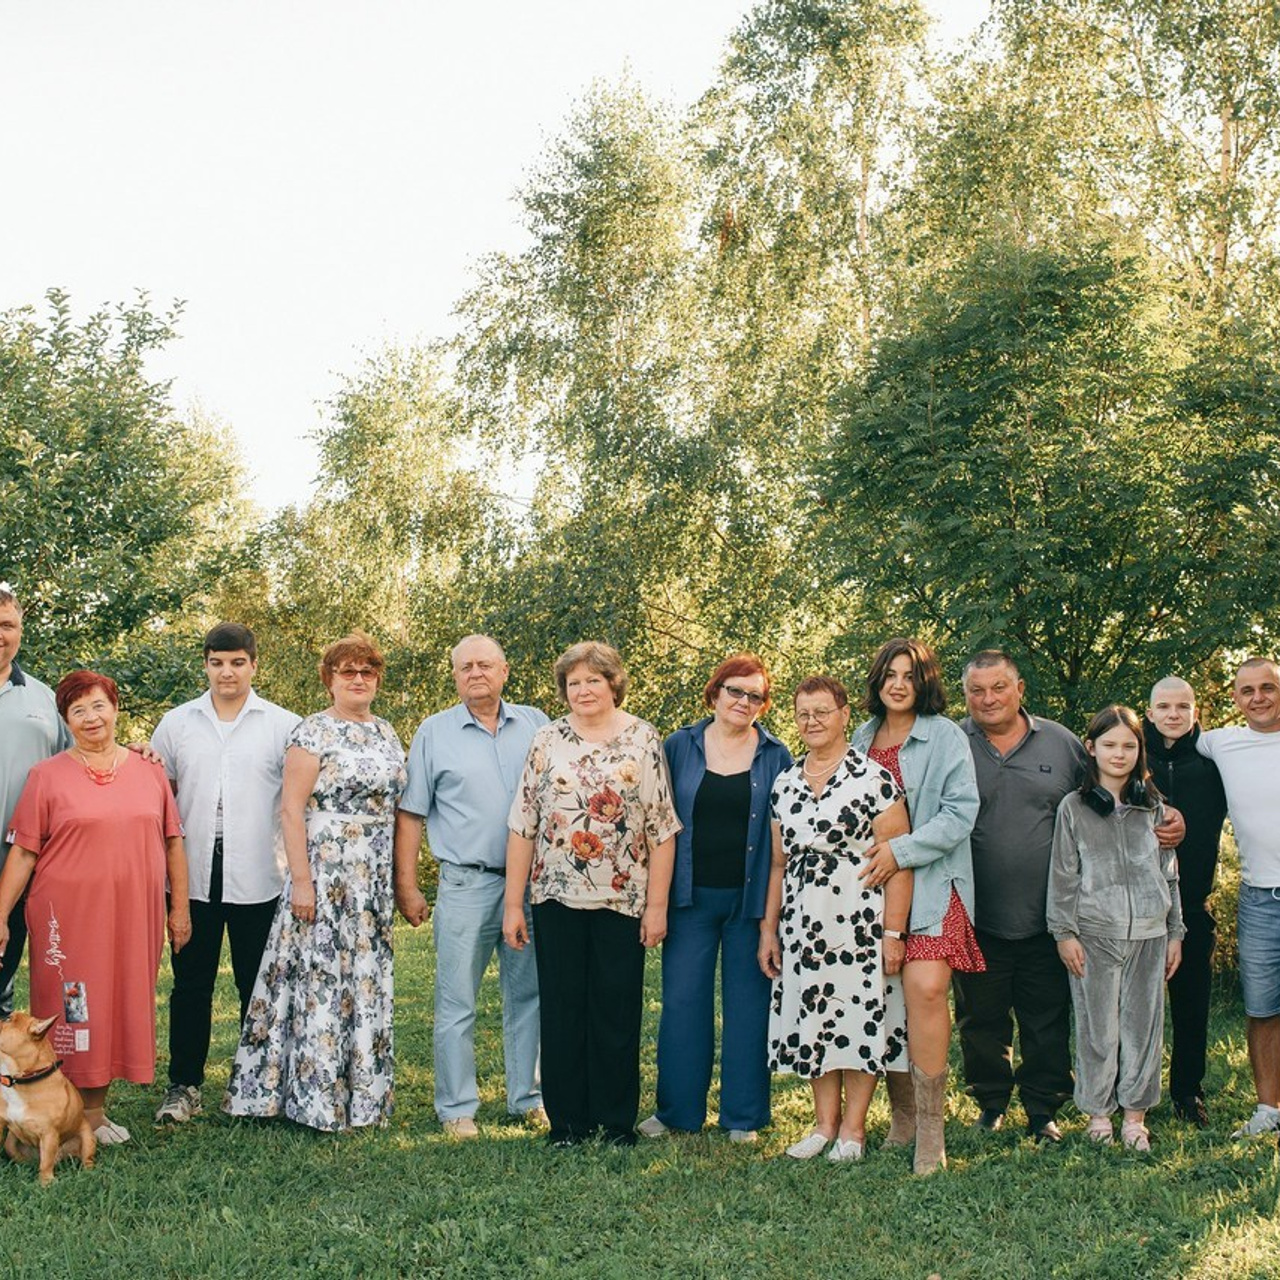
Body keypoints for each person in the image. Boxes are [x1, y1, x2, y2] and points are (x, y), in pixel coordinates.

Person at [223, 632, 405, 1132]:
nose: (359, 679)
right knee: (317, 980)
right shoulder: (313, 732)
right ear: (330, 679)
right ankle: (308, 1097)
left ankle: (362, 1097)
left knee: (363, 980)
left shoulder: (388, 733)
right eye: (348, 671)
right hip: (324, 873)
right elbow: (290, 809)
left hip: (371, 878)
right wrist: (301, 882)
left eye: (367, 671)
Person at [0, 670, 191, 1145]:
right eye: (78, 710)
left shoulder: (149, 772)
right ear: (66, 720)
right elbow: (24, 852)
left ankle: (96, 1112)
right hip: (67, 917)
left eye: (98, 705)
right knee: (73, 1007)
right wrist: (0, 914)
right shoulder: (46, 777)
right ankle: (63, 1113)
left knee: (119, 1000)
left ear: (115, 708)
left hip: (133, 915)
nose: (91, 717)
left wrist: (180, 909)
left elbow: (172, 843)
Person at [503, 641, 681, 1147]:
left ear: (612, 685)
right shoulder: (546, 740)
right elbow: (522, 824)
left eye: (593, 680)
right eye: (574, 682)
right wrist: (513, 904)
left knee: (616, 1011)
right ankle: (568, 1124)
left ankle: (615, 1121)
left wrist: (657, 907)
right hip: (554, 897)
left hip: (622, 898)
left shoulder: (643, 739)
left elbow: (662, 829)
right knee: (562, 1011)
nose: (583, 690)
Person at [394, 635, 548, 1139]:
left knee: (529, 995)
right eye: (465, 667)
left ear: (505, 671)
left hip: (532, 886)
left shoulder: (538, 724)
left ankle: (529, 1096)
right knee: (456, 1000)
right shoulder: (433, 733)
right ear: (455, 676)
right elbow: (412, 813)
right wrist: (409, 885)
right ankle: (457, 1108)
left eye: (485, 665)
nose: (475, 673)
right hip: (466, 884)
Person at [149, 623, 300, 1125]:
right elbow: (157, 797)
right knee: (191, 985)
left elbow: (301, 802)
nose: (227, 672)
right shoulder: (177, 723)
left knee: (255, 985)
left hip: (261, 874)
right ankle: (184, 1086)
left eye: (237, 662)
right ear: (206, 665)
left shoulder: (283, 725)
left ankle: (254, 1087)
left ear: (254, 665)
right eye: (217, 662)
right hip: (191, 877)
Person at [639, 654, 792, 1144]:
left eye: (755, 695)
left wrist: (773, 919)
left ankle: (742, 1116)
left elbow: (784, 841)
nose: (743, 702)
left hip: (749, 904)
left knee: (749, 1008)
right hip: (689, 901)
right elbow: (657, 825)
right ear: (715, 693)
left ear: (763, 705)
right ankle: (678, 1112)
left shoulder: (777, 755)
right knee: (683, 1005)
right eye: (735, 691)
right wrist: (656, 903)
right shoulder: (678, 746)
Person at [760, 676, 912, 1162]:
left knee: (859, 1018)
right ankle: (823, 1125)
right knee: (815, 1019)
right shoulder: (785, 782)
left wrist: (893, 932)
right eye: (804, 713)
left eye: (823, 711)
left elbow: (899, 860)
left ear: (846, 714)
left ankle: (854, 1130)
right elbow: (779, 864)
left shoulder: (874, 780)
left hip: (859, 921)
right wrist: (770, 928)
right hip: (803, 924)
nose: (812, 721)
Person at [850, 638, 981, 1174]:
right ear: (877, 682)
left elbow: (959, 813)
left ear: (924, 682)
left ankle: (931, 1129)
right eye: (889, 675)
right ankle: (901, 1113)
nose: (898, 684)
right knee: (883, 998)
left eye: (909, 675)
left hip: (932, 883)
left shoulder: (945, 736)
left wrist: (899, 851)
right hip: (868, 887)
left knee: (925, 989)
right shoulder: (860, 737)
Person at [1047, 704, 1184, 1151]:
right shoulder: (1074, 808)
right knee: (1097, 1029)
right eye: (1109, 745)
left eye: (1129, 745)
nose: (1119, 754)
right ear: (1091, 748)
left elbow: (1170, 874)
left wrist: (1175, 932)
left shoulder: (1156, 810)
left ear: (1139, 751)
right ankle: (1099, 1113)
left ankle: (1135, 1116)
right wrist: (1064, 932)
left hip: (1150, 934)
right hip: (1094, 935)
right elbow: (1063, 876)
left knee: (1142, 1028)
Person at [1196, 657, 1280, 1139]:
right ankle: (1268, 1110)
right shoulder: (1221, 742)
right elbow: (1163, 731)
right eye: (1247, 690)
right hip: (1259, 898)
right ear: (1234, 698)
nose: (1258, 698)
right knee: (1262, 1008)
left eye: (1267, 687)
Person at [1144, 676, 1227, 1128]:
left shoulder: (1213, 762)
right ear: (1151, 711)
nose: (1173, 714)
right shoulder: (1134, 758)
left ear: (1195, 712)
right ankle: (1131, 1091)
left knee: (1192, 1010)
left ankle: (1187, 1092)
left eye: (1183, 706)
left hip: (1193, 906)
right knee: (1135, 1010)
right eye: (1164, 706)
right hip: (1136, 911)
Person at [0, 583, 69, 1020]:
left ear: (21, 630)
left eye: (7, 624)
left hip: (21, 856)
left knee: (4, 965)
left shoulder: (45, 699)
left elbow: (76, 764)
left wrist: (137, 753)